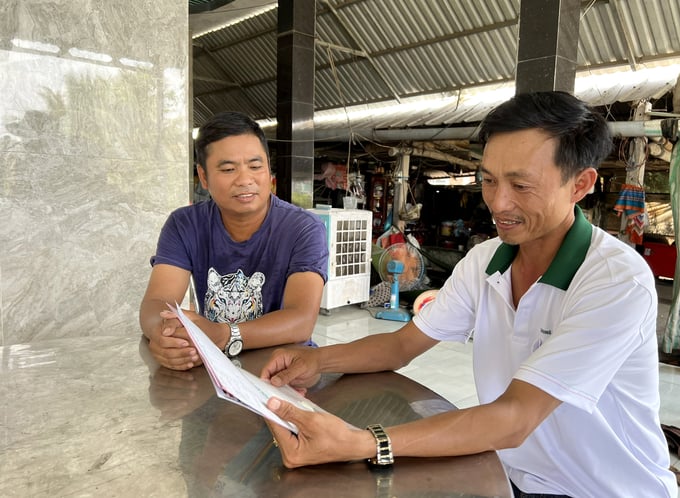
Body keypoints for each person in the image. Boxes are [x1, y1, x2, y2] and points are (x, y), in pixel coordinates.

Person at [260, 92, 677, 497]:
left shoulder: (614, 280)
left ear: (580, 184)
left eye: (521, 185)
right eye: (490, 180)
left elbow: (515, 417)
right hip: (510, 474)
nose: (498, 202)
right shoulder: (485, 261)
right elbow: (401, 345)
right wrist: (318, 361)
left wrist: (363, 442)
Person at [140, 111, 329, 371]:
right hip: (214, 367)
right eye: (228, 169)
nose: (245, 180)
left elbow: (301, 320)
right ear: (203, 177)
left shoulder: (303, 229)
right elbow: (156, 301)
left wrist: (223, 334)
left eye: (255, 166)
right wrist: (163, 332)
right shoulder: (184, 225)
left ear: (269, 171)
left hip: (285, 370)